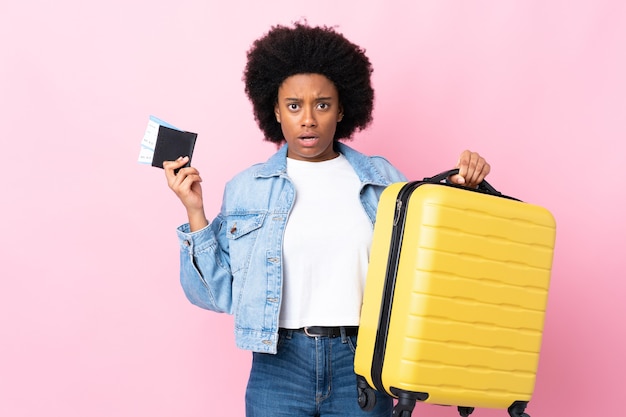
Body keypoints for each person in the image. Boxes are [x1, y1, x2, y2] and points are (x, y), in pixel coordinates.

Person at [164, 22, 491, 417]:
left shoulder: (382, 180)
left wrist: (462, 190)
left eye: (322, 104)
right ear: (275, 110)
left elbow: (430, 267)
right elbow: (216, 296)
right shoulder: (247, 188)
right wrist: (194, 210)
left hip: (363, 362)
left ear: (341, 109)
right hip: (277, 365)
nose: (308, 119)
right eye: (294, 105)